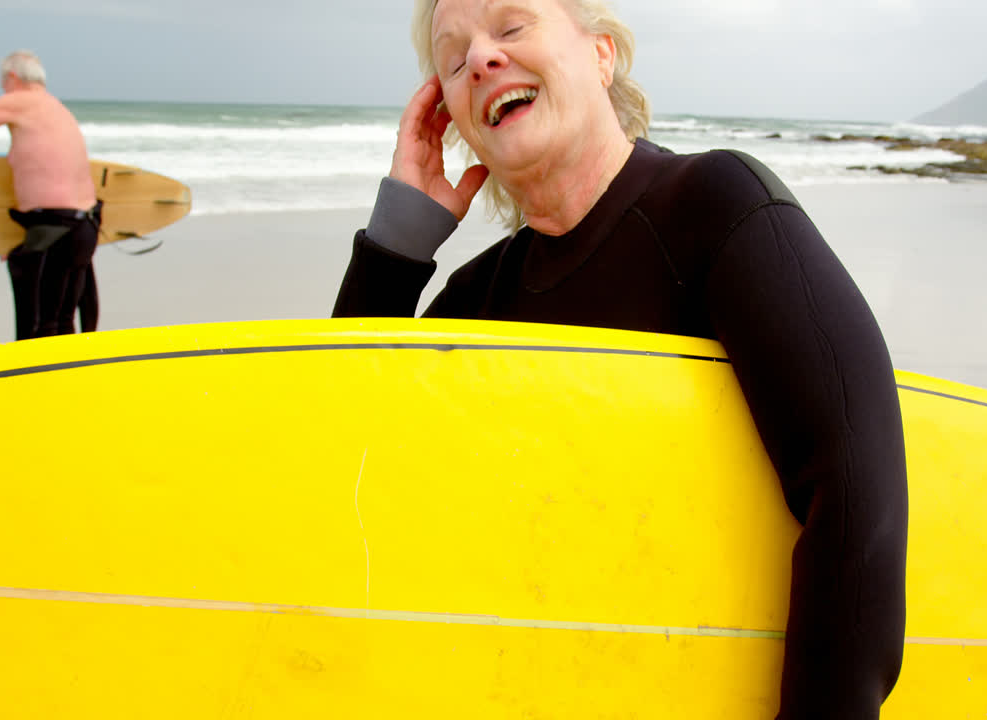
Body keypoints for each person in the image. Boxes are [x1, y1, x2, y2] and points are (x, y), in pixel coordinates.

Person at [333, 1, 909, 717]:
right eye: (453, 60)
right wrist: (398, 243)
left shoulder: (714, 208)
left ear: (602, 56)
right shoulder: (480, 295)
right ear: (450, 116)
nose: (481, 59)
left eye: (511, 28)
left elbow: (856, 489)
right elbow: (350, 470)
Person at [0, 49, 100, 340]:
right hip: (85, 226)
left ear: (13, 77)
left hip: (51, 231)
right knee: (62, 326)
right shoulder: (58, 108)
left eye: (3, 83)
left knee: (36, 333)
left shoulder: (19, 100)